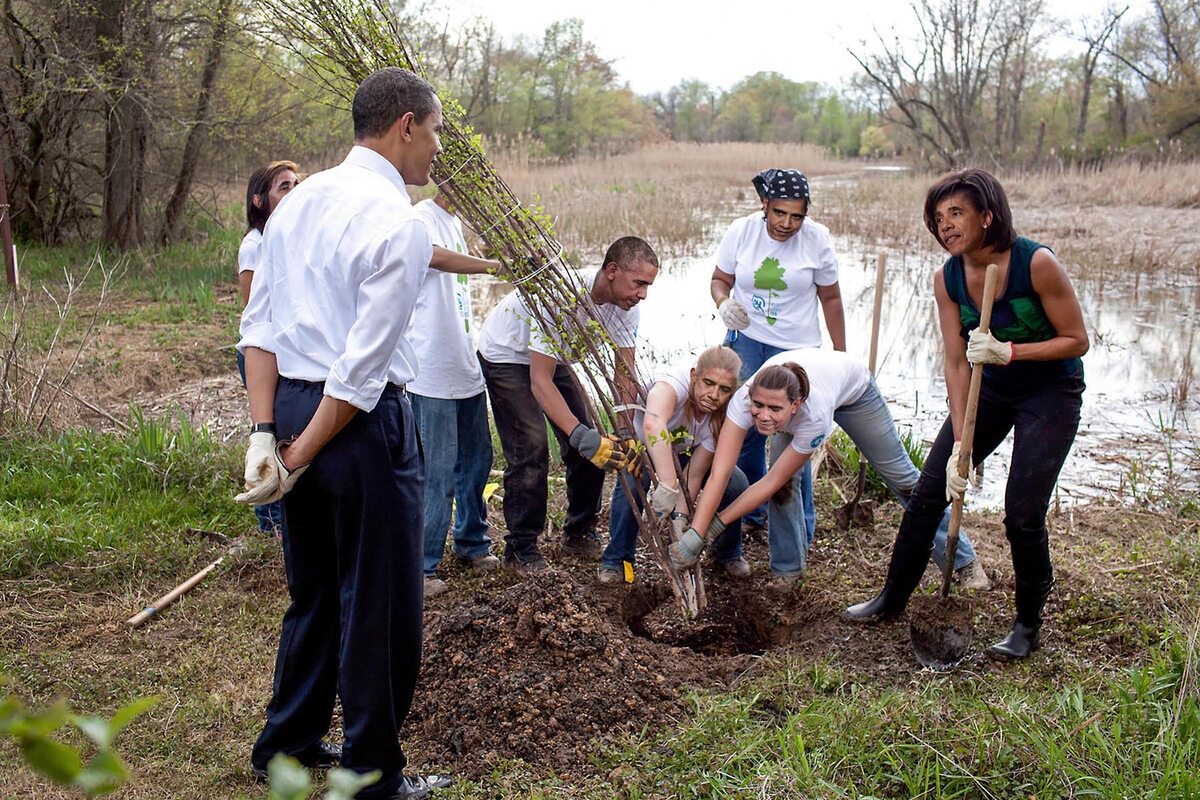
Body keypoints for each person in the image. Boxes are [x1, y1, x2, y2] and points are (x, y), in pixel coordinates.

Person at [235, 67, 498, 799]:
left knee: (314, 586)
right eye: (437, 130)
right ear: (407, 124)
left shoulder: (302, 199)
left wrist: (269, 433)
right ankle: (372, 775)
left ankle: (285, 746)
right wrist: (297, 452)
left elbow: (258, 327)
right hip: (356, 427)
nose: (438, 148)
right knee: (380, 596)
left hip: (291, 406)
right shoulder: (399, 225)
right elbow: (360, 373)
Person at [845, 168, 1088, 660]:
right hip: (989, 389)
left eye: (956, 213)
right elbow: (956, 360)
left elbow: (1077, 340)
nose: (946, 225)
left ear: (987, 215)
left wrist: (1011, 352)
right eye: (938, 218)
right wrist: (961, 441)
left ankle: (1027, 623)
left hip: (1050, 390)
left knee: (1021, 513)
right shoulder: (948, 277)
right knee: (929, 490)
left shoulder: (1036, 264)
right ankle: (892, 598)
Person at [670, 349, 986, 593]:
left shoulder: (813, 416)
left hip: (855, 392)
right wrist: (696, 532)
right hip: (795, 393)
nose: (763, 417)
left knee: (903, 480)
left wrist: (716, 525)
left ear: (795, 405)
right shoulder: (745, 400)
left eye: (774, 410)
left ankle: (964, 563)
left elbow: (770, 480)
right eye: (758, 407)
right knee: (785, 490)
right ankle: (788, 571)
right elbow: (720, 473)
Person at [476, 237, 659, 573]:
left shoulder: (626, 308)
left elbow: (624, 376)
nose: (643, 294)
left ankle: (578, 531)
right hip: (506, 355)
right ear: (612, 271)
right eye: (639, 283)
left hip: (552, 360)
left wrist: (623, 430)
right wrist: (578, 434)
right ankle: (521, 549)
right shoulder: (563, 296)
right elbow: (539, 381)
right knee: (531, 444)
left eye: (648, 285)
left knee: (594, 442)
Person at [711, 168, 845, 544]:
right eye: (779, 213)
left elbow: (831, 298)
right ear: (765, 205)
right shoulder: (742, 231)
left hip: (797, 348)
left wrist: (841, 355)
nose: (787, 223)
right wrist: (723, 303)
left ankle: (801, 524)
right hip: (749, 339)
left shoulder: (818, 240)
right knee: (747, 429)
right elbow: (719, 280)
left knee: (790, 439)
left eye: (797, 216)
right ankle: (752, 511)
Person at [407, 191, 499, 598]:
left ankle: (471, 542)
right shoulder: (420, 217)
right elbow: (432, 256)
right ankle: (422, 567)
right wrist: (492, 265)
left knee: (478, 461)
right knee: (436, 473)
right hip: (431, 372)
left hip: (464, 367)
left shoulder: (456, 222)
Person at [600, 346, 749, 583]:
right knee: (634, 477)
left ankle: (727, 554)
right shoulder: (673, 384)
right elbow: (653, 424)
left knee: (736, 482)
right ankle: (617, 559)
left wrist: (680, 516)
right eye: (708, 383)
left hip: (684, 453)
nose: (713, 394)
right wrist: (668, 483)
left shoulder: (721, 416)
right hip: (647, 446)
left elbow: (695, 472)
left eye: (724, 390)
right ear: (693, 376)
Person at [235, 160, 299, 536]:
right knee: (267, 428)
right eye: (283, 186)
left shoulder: (286, 237)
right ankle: (269, 520)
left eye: (295, 183)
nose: (293, 190)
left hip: (283, 351)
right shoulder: (255, 245)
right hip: (261, 353)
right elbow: (255, 313)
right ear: (260, 200)